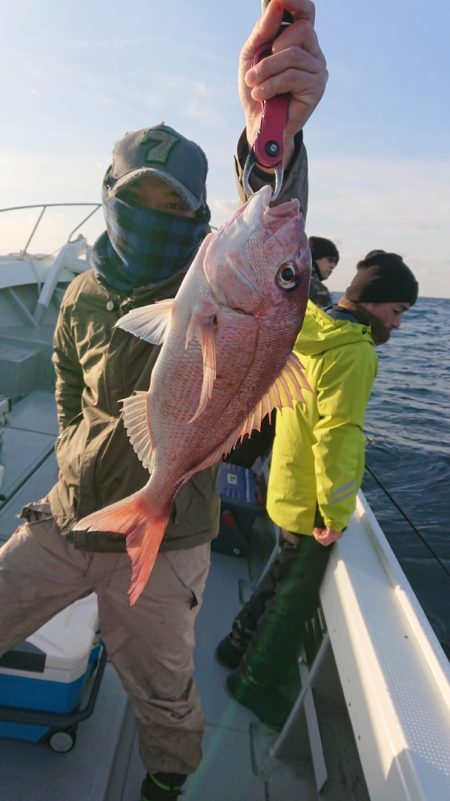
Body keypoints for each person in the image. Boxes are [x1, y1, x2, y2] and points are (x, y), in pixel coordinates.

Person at [0, 2, 328, 800]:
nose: (157, 215)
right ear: (110, 194)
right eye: (140, 197)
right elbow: (68, 382)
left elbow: (272, 219)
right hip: (68, 514)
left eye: (177, 206)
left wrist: (273, 137)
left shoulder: (198, 281)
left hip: (171, 532)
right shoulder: (80, 292)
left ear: (203, 217)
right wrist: (76, 445)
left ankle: (168, 778)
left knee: (165, 687)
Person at [216, 250, 419, 731]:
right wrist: (334, 512)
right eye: (396, 312)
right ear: (372, 302)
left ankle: (235, 643)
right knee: (294, 600)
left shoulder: (311, 330)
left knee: (280, 573)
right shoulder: (354, 351)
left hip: (285, 483)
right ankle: (252, 683)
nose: (398, 324)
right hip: (311, 501)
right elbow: (338, 435)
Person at [308, 235, 339, 307]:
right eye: (330, 260)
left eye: (335, 262)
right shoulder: (317, 290)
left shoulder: (291, 281)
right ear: (314, 257)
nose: (333, 266)